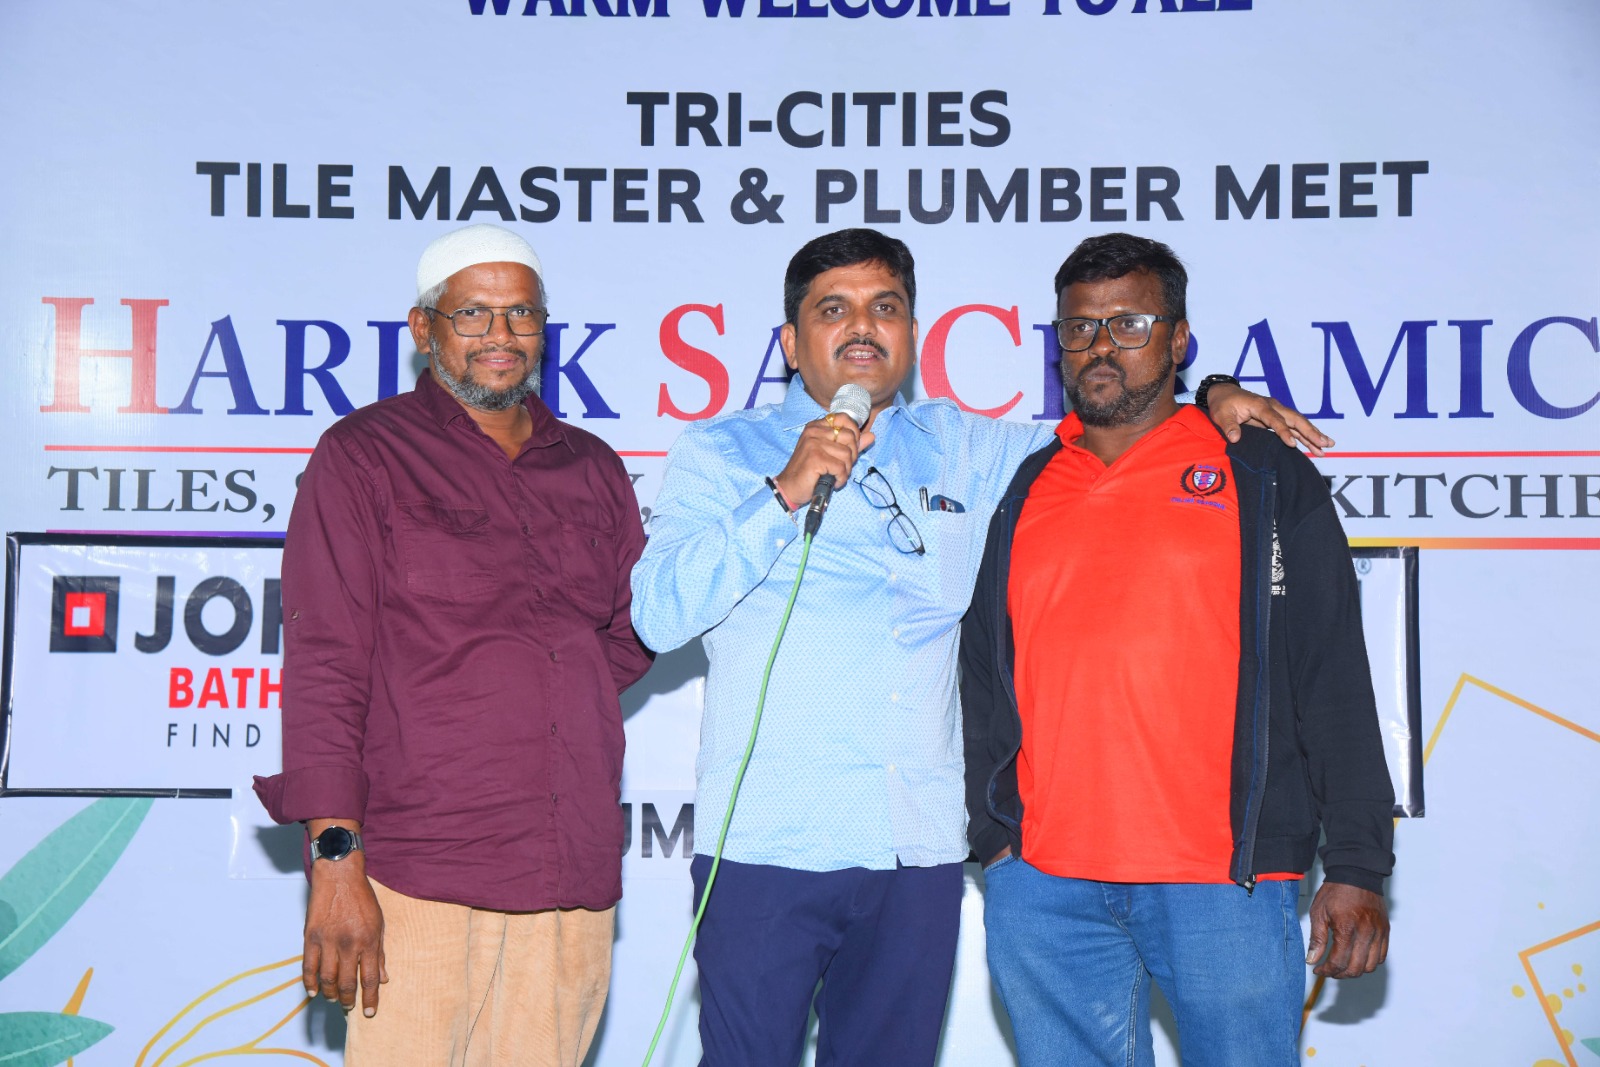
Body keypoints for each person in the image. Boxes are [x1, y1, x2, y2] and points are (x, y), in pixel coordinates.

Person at [629, 228, 1328, 1066]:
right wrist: (782, 492)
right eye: (834, 310)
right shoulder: (719, 452)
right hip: (768, 846)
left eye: (886, 307)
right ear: (789, 341)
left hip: (916, 851)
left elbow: (1117, 423)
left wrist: (1208, 392)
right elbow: (656, 616)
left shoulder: (967, 446)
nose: (863, 326)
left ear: (911, 332)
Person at [961, 232, 1394, 1067]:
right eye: (1080, 327)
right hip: (1046, 886)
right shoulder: (1028, 485)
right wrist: (998, 841)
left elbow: (1333, 671)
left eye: (1130, 323)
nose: (1101, 346)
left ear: (1180, 338)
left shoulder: (1259, 472)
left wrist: (1357, 861)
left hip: (1223, 881)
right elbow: (983, 671)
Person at [253, 223, 652, 1067]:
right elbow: (325, 667)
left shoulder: (593, 467)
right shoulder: (363, 456)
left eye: (522, 315)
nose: (500, 336)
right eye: (473, 313)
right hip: (418, 868)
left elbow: (621, 641)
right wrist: (335, 859)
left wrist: (539, 694)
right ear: (424, 328)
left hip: (569, 870)